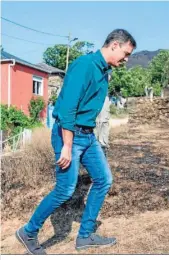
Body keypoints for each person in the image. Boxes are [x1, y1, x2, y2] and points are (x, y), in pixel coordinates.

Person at [15, 29, 136, 254]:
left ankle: (85, 235)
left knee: (103, 179)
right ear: (115, 45)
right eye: (126, 54)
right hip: (68, 134)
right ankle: (28, 232)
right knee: (65, 189)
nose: (126, 59)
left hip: (87, 135)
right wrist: (67, 146)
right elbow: (68, 109)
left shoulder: (103, 70)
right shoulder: (85, 65)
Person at [95, 74, 112, 157]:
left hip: (103, 97)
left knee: (103, 122)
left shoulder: (106, 67)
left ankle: (103, 148)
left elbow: (108, 77)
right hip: (92, 97)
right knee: (95, 123)